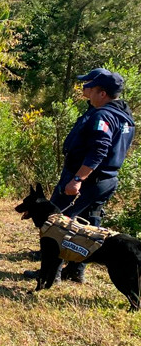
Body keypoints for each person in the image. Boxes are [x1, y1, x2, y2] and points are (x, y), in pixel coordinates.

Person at [24, 70, 134, 283]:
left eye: (92, 89)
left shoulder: (103, 115)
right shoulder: (125, 117)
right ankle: (76, 270)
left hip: (87, 181)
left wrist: (77, 179)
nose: (88, 92)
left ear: (102, 94)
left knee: (58, 225)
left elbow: (99, 149)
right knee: (89, 226)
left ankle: (50, 275)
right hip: (106, 180)